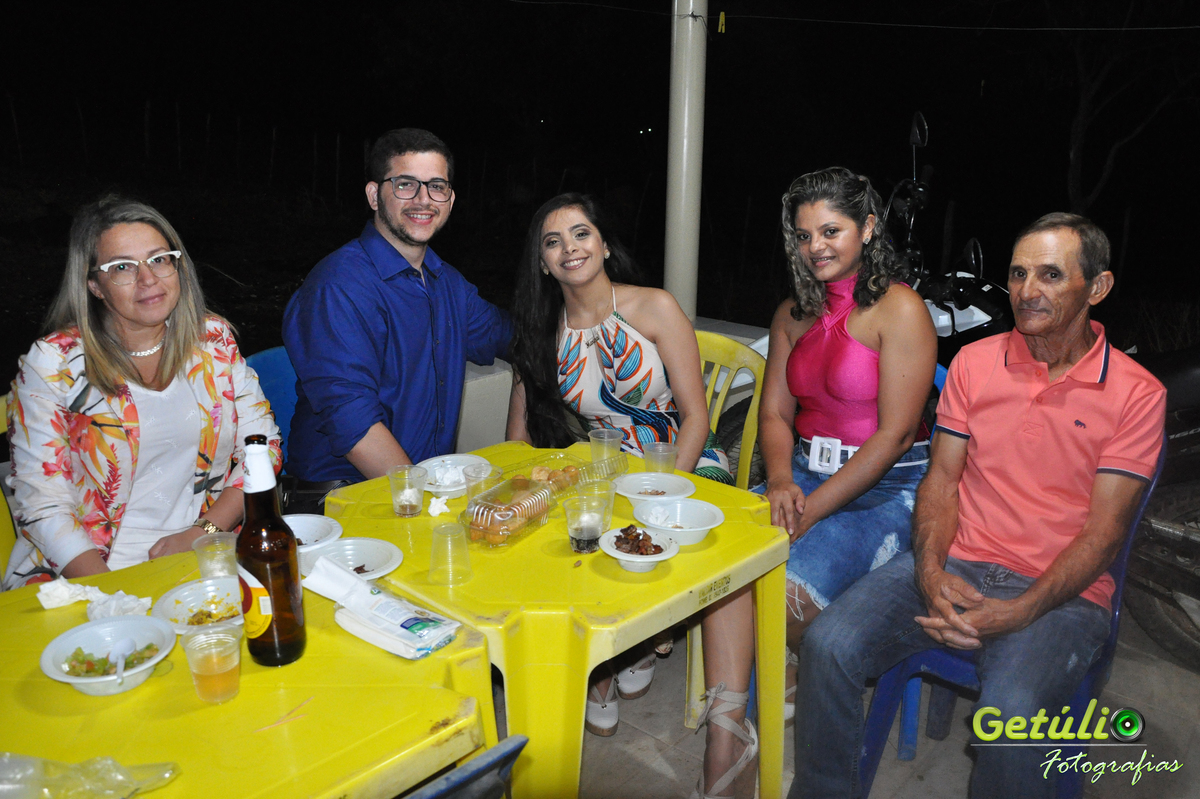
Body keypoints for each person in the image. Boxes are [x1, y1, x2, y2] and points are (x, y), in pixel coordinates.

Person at [790, 213, 1166, 799]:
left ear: (1097, 287)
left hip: (1061, 592)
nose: (1027, 291)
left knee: (1011, 715)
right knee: (828, 646)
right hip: (958, 561)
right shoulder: (975, 362)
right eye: (1018, 274)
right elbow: (941, 481)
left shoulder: (1137, 394)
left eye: (1050, 275)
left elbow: (1103, 534)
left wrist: (1020, 611)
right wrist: (930, 570)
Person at [506, 194, 749, 798]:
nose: (570, 248)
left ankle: (632, 646)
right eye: (553, 241)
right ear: (542, 263)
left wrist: (664, 494)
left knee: (643, 519)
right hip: (604, 468)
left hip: (682, 459)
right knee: (565, 527)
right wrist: (525, 495)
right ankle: (616, 653)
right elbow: (517, 443)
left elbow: (697, 418)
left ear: (605, 244)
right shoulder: (541, 332)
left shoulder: (654, 307)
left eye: (581, 233)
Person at [4, 196, 281, 590]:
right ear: (94, 285)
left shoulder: (212, 339)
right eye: (122, 267)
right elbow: (42, 506)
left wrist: (201, 532)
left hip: (199, 553)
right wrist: (112, 596)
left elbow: (263, 447)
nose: (148, 279)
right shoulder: (54, 363)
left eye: (159, 259)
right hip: (84, 572)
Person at [757, 167, 936, 711]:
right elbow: (774, 414)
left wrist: (809, 513)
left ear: (868, 228)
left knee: (781, 598)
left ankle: (798, 669)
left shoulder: (899, 308)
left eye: (830, 231)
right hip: (804, 471)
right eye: (804, 235)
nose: (816, 246)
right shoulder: (791, 315)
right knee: (717, 567)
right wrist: (781, 481)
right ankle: (742, 701)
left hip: (888, 485)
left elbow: (896, 436)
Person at [283, 128, 511, 502]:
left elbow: (512, 337)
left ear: (450, 200)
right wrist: (426, 503)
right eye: (406, 184)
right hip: (343, 501)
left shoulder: (447, 283)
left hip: (416, 486)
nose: (423, 199)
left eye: (437, 186)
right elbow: (355, 427)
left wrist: (587, 304)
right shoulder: (337, 286)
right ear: (375, 195)